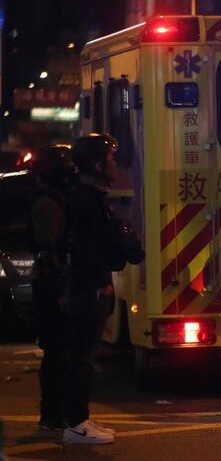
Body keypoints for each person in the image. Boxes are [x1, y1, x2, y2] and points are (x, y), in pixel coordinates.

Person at [63, 134, 144, 444]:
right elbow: (88, 251)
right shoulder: (86, 201)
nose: (115, 163)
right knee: (82, 359)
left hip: (91, 289)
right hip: (88, 290)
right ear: (97, 165)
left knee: (84, 358)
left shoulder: (89, 196)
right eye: (110, 158)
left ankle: (79, 418)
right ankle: (75, 425)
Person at [29, 145, 74, 431]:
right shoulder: (47, 204)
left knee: (59, 354)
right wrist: (59, 290)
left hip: (51, 285)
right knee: (57, 355)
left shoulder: (53, 200)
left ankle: (55, 413)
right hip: (51, 287)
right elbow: (48, 249)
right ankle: (53, 414)